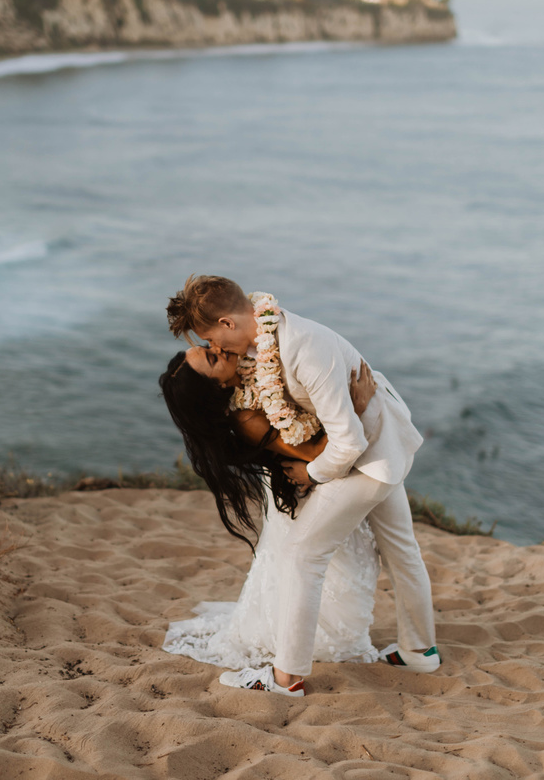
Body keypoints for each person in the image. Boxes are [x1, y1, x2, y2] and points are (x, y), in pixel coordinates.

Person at [166, 276, 439, 697]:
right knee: (401, 550)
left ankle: (286, 678)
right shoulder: (264, 345)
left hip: (369, 458)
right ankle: (420, 652)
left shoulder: (301, 347)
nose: (214, 348)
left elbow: (345, 441)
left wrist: (311, 474)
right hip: (379, 446)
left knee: (302, 555)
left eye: (209, 339)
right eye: (208, 350)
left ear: (227, 322)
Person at [159, 346, 382, 674]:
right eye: (211, 358)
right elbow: (313, 451)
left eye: (207, 347)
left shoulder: (251, 369)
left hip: (316, 480)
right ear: (216, 387)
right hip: (306, 483)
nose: (218, 349)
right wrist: (356, 407)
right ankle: (303, 648)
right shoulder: (246, 417)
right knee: (323, 565)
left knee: (336, 564)